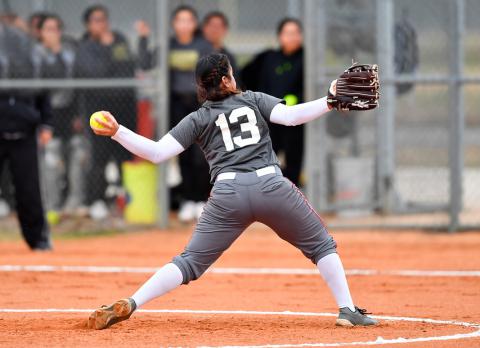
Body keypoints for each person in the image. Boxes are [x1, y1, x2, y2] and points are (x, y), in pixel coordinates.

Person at [87, 53, 377, 329]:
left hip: (228, 194)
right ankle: (347, 310)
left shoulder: (198, 118)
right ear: (226, 81)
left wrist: (118, 131)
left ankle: (133, 301)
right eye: (231, 74)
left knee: (189, 262)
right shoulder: (252, 100)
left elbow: (157, 152)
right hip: (271, 187)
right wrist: (328, 101)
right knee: (322, 246)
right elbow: (291, 117)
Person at [74, 4, 138, 220]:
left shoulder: (118, 39)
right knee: (99, 158)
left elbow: (129, 66)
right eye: (96, 20)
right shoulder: (85, 47)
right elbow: (96, 72)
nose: (102, 24)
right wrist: (107, 48)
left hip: (124, 105)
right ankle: (97, 200)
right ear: (88, 25)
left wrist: (112, 50)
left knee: (124, 154)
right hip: (98, 107)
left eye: (104, 19)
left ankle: (124, 198)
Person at [0, 17, 52, 250]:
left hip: (25, 133)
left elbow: (44, 96)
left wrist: (46, 125)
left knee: (29, 189)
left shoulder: (32, 59)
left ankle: (38, 238)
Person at [241, 18, 305, 186]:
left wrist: (297, 98)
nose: (292, 37)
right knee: (266, 160)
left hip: (296, 120)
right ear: (280, 36)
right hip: (269, 118)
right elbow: (245, 76)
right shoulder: (268, 57)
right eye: (288, 33)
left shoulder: (307, 59)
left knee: (293, 157)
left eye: (296, 33)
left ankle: (292, 197)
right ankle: (265, 198)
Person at [36, 13, 88, 215]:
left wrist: (78, 114)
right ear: (40, 33)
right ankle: (51, 205)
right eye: (49, 29)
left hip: (69, 110)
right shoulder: (36, 53)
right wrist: (55, 52)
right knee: (51, 159)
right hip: (46, 112)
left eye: (57, 29)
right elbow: (53, 79)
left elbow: (76, 83)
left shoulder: (69, 52)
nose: (54, 33)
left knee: (76, 155)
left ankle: (74, 201)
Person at [167, 5, 214, 223]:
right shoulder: (169, 46)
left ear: (194, 24)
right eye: (180, 20)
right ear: (173, 24)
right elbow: (147, 63)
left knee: (201, 155)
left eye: (188, 20)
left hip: (199, 104)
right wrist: (143, 38)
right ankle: (187, 199)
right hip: (177, 104)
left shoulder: (203, 45)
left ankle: (202, 200)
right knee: (183, 153)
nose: (184, 24)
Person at [202, 11, 239, 82]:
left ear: (225, 30)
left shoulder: (229, 58)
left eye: (218, 26)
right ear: (204, 28)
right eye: (211, 25)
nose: (214, 30)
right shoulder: (196, 52)